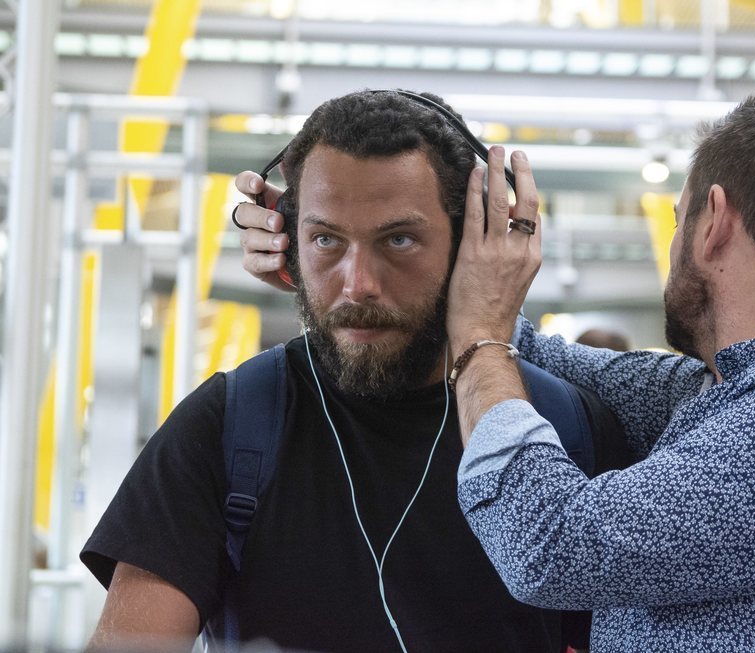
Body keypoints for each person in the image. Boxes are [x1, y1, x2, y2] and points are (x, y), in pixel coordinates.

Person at [80, 90, 630, 653]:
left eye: (399, 239)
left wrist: (484, 333)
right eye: (325, 239)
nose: (357, 282)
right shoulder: (228, 425)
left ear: (474, 241)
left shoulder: (568, 430)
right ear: (288, 244)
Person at [441, 80, 755, 650]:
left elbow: (549, 545)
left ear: (714, 223)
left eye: (677, 220)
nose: (671, 249)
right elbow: (574, 367)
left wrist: (480, 344)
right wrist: (467, 296)